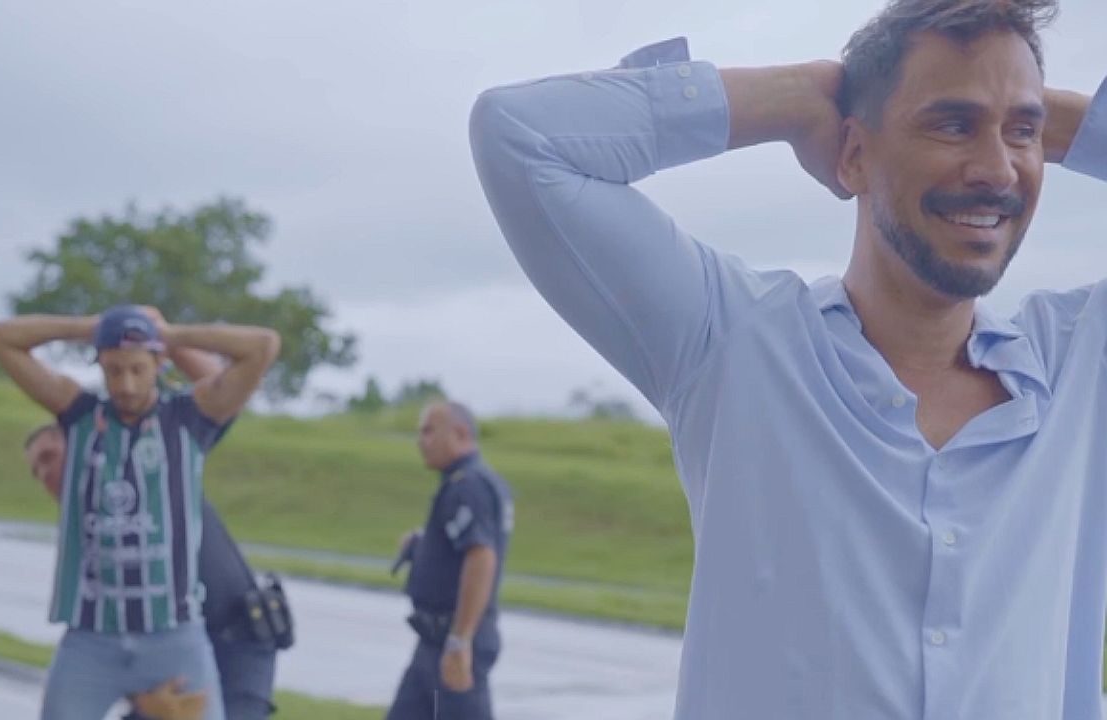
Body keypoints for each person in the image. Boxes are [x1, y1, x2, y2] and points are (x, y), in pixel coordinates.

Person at [470, 0, 1107, 717]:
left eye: (1023, 132)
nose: (997, 169)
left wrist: (1038, 110)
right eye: (952, 124)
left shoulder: (1078, 367)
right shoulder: (731, 342)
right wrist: (797, 97)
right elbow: (519, 135)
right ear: (854, 154)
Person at [0, 304, 280, 720]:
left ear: (159, 364)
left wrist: (168, 333)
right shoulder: (81, 416)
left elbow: (263, 346)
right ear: (100, 366)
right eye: (113, 370)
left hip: (174, 635)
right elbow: (0, 336)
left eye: (138, 369)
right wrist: (89, 327)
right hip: (92, 639)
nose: (125, 384)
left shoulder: (190, 420)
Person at [387, 401, 513, 720]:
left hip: (455, 638)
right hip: (433, 642)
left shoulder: (468, 485)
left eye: (429, 431)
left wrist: (460, 641)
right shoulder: (469, 481)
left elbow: (481, 556)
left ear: (460, 433)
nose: (421, 440)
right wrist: (422, 544)